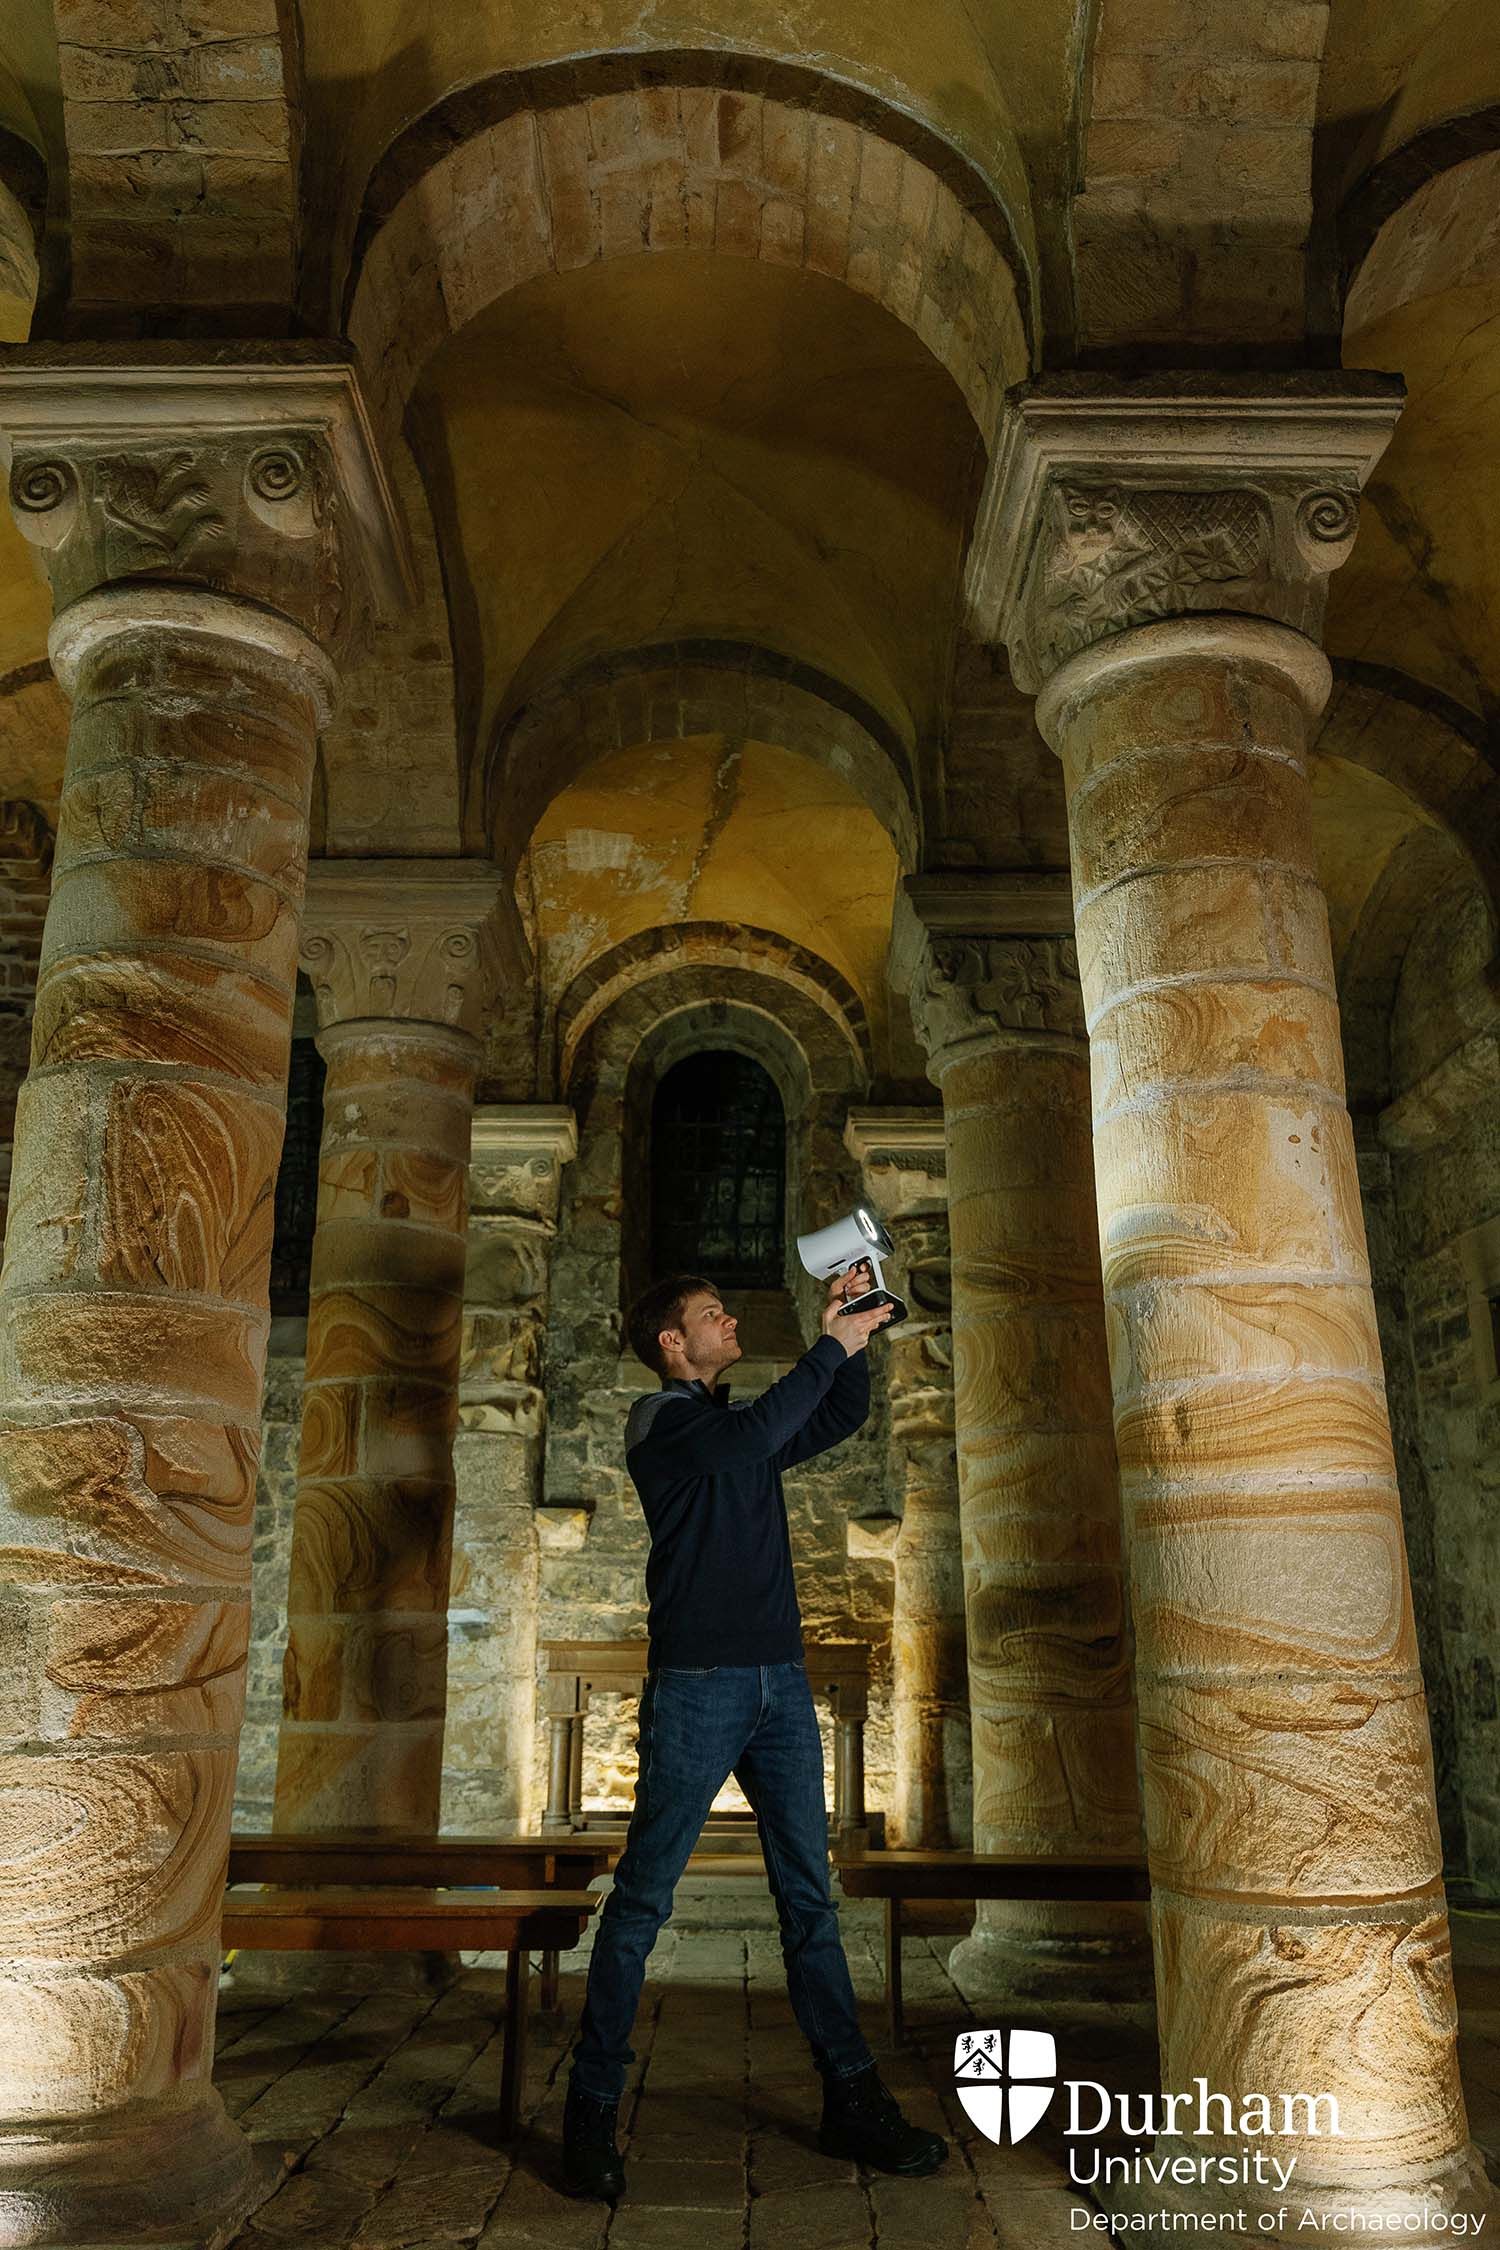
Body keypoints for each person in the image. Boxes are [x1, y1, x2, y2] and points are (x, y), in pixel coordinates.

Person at [562, 1264, 949, 2200]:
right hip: (698, 1688)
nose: (728, 1320)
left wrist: (849, 1338)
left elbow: (826, 1419)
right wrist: (830, 1342)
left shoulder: (735, 1433)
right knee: (643, 1904)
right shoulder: (663, 1424)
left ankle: (849, 2101)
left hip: (778, 1684)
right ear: (670, 1342)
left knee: (809, 1902)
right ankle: (588, 2115)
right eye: (710, 1315)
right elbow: (758, 1429)